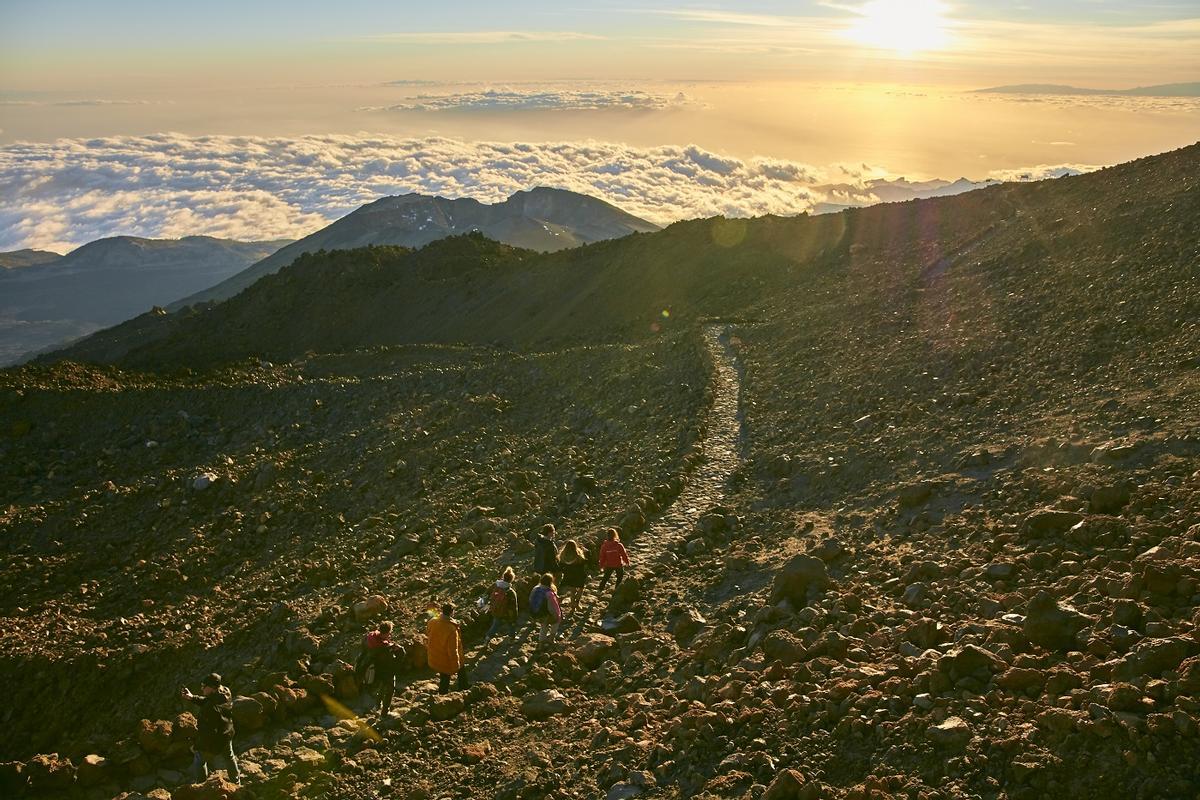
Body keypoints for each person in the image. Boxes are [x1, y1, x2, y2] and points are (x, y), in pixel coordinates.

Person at [180, 673, 240, 784]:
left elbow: (207, 732)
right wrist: (192, 697)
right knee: (229, 757)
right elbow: (208, 700)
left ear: (212, 688)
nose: (201, 688)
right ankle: (237, 782)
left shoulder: (211, 709)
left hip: (216, 738)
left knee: (199, 758)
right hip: (227, 733)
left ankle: (202, 785)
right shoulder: (224, 692)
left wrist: (197, 746)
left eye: (204, 686)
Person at [360, 621, 406, 720]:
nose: (390, 635)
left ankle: (377, 706)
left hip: (373, 670)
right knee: (389, 689)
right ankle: (385, 713)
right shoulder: (384, 648)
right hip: (385, 671)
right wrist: (400, 650)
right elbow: (395, 662)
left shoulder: (370, 637)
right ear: (386, 633)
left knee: (380, 687)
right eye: (390, 633)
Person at [426, 602, 468, 694]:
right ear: (452, 612)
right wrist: (455, 665)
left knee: (445, 675)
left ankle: (462, 686)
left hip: (435, 654)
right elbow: (453, 650)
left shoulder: (433, 621)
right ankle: (445, 694)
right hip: (445, 657)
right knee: (448, 675)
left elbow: (428, 633)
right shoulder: (451, 629)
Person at [528, 573, 563, 646]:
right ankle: (551, 639)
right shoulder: (549, 593)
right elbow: (553, 607)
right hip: (544, 615)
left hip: (534, 613)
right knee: (556, 621)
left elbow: (530, 600)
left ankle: (541, 642)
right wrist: (557, 616)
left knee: (544, 626)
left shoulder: (535, 588)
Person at [557, 540, 589, 616]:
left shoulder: (563, 555)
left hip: (569, 576)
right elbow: (584, 562)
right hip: (579, 575)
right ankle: (576, 603)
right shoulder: (578, 554)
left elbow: (560, 565)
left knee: (572, 590)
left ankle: (572, 607)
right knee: (581, 589)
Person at [486, 567, 519, 640]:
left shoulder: (496, 586)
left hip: (497, 610)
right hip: (507, 612)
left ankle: (487, 638)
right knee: (511, 624)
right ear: (512, 579)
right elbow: (514, 606)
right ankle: (512, 637)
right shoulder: (511, 592)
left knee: (495, 625)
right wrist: (514, 616)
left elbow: (488, 595)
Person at [597, 527, 631, 595]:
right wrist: (627, 562)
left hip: (608, 565)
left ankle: (600, 590)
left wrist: (601, 565)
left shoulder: (604, 546)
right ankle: (617, 589)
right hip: (618, 564)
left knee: (606, 577)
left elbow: (602, 557)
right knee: (620, 577)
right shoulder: (618, 545)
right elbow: (624, 554)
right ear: (615, 535)